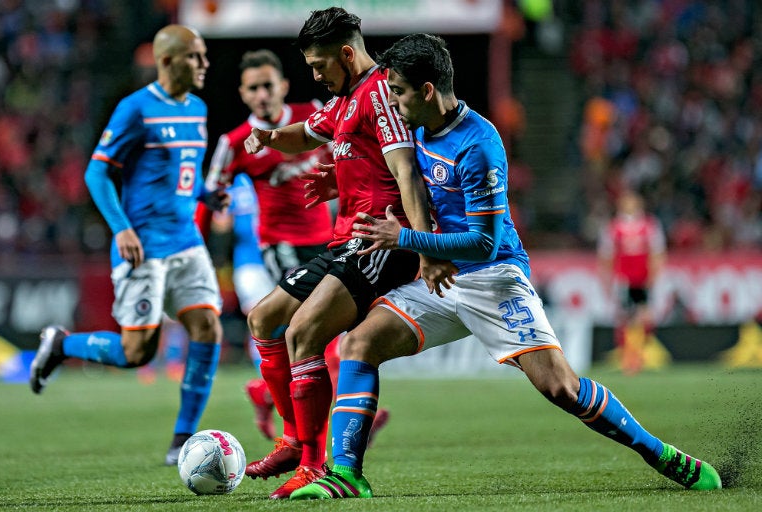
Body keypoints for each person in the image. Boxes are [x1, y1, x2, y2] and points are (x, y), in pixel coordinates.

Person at [290, 33, 721, 500]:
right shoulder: (416, 129)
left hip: (493, 278)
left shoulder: (479, 143)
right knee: (359, 343)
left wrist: (408, 240)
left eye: (398, 92)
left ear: (428, 90)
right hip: (441, 280)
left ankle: (662, 454)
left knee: (562, 389)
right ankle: (347, 475)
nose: (391, 102)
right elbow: (401, 176)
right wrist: (342, 182)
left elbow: (484, 241)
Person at [241, 8, 450, 499]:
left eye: (318, 66)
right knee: (263, 319)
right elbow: (306, 133)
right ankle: (295, 440)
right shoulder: (344, 98)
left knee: (304, 332)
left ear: (347, 54)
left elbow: (406, 173)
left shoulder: (379, 92)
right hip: (343, 242)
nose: (314, 75)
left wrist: (422, 247)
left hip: (379, 240)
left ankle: (314, 464)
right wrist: (271, 137)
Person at [29, 24, 229, 466]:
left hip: (187, 241)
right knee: (136, 353)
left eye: (203, 56)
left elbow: (183, 172)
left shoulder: (197, 108)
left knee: (207, 329)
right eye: (195, 56)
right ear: (168, 61)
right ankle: (61, 344)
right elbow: (96, 173)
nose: (204, 64)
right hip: (144, 246)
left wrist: (205, 196)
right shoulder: (135, 109)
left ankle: (183, 438)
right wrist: (121, 228)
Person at [196, 49, 391, 443]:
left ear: (283, 86)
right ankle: (341, 423)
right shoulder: (234, 143)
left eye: (268, 85)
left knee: (327, 329)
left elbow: (346, 152)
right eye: (254, 88)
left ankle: (266, 393)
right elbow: (210, 194)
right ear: (243, 94)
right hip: (280, 245)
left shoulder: (313, 114)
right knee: (317, 329)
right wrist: (201, 242)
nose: (263, 94)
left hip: (328, 239)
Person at [598, 189, 668, 375]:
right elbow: (606, 256)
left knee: (644, 315)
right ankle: (628, 356)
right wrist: (607, 280)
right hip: (623, 278)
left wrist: (654, 276)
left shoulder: (650, 225)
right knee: (625, 316)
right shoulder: (613, 227)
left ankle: (643, 354)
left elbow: (657, 253)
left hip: (643, 278)